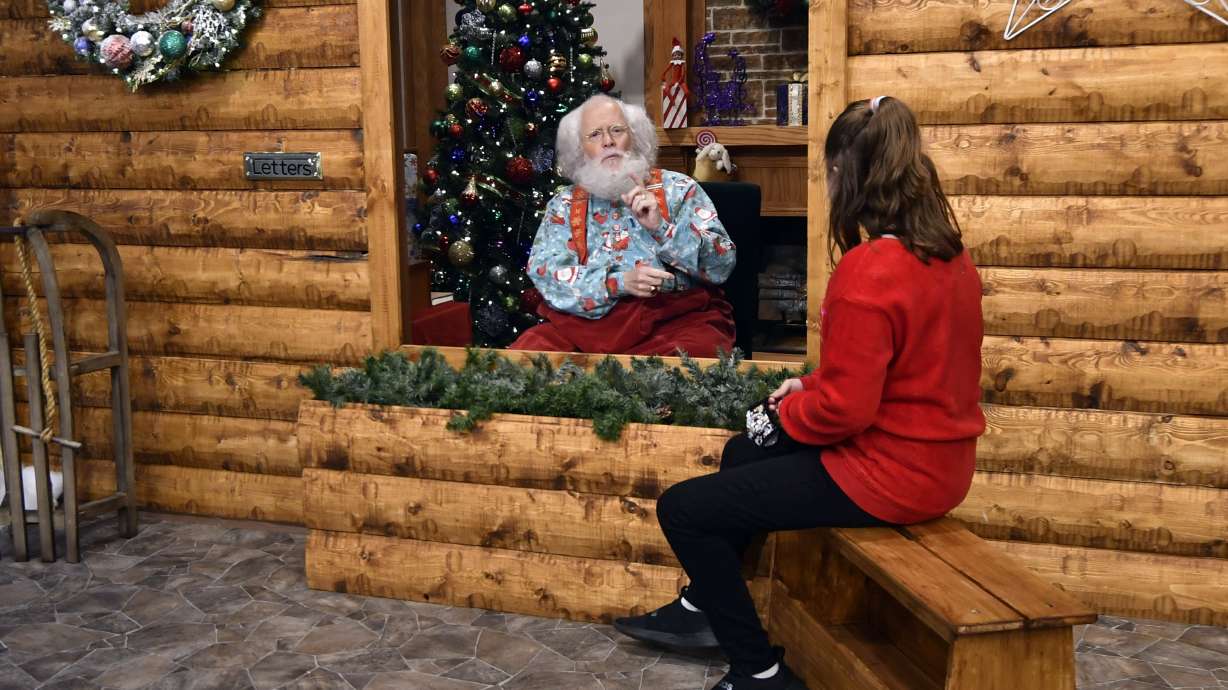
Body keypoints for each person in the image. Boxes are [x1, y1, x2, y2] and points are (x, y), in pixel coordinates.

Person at [613, 96, 987, 690]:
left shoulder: (869, 269)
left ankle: (759, 671)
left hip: (891, 474)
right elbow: (905, 370)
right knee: (743, 451)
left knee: (684, 510)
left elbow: (845, 410)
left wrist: (786, 413)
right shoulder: (950, 255)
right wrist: (806, 387)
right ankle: (701, 609)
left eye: (829, 172)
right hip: (941, 463)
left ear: (846, 173)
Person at [508, 95, 738, 356]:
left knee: (690, 365)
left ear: (635, 137)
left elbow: (722, 265)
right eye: (594, 135)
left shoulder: (680, 189)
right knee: (526, 358)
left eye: (617, 130)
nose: (608, 141)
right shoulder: (563, 204)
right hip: (585, 325)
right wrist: (618, 282)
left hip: (675, 320)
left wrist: (661, 228)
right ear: (581, 149)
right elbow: (546, 273)